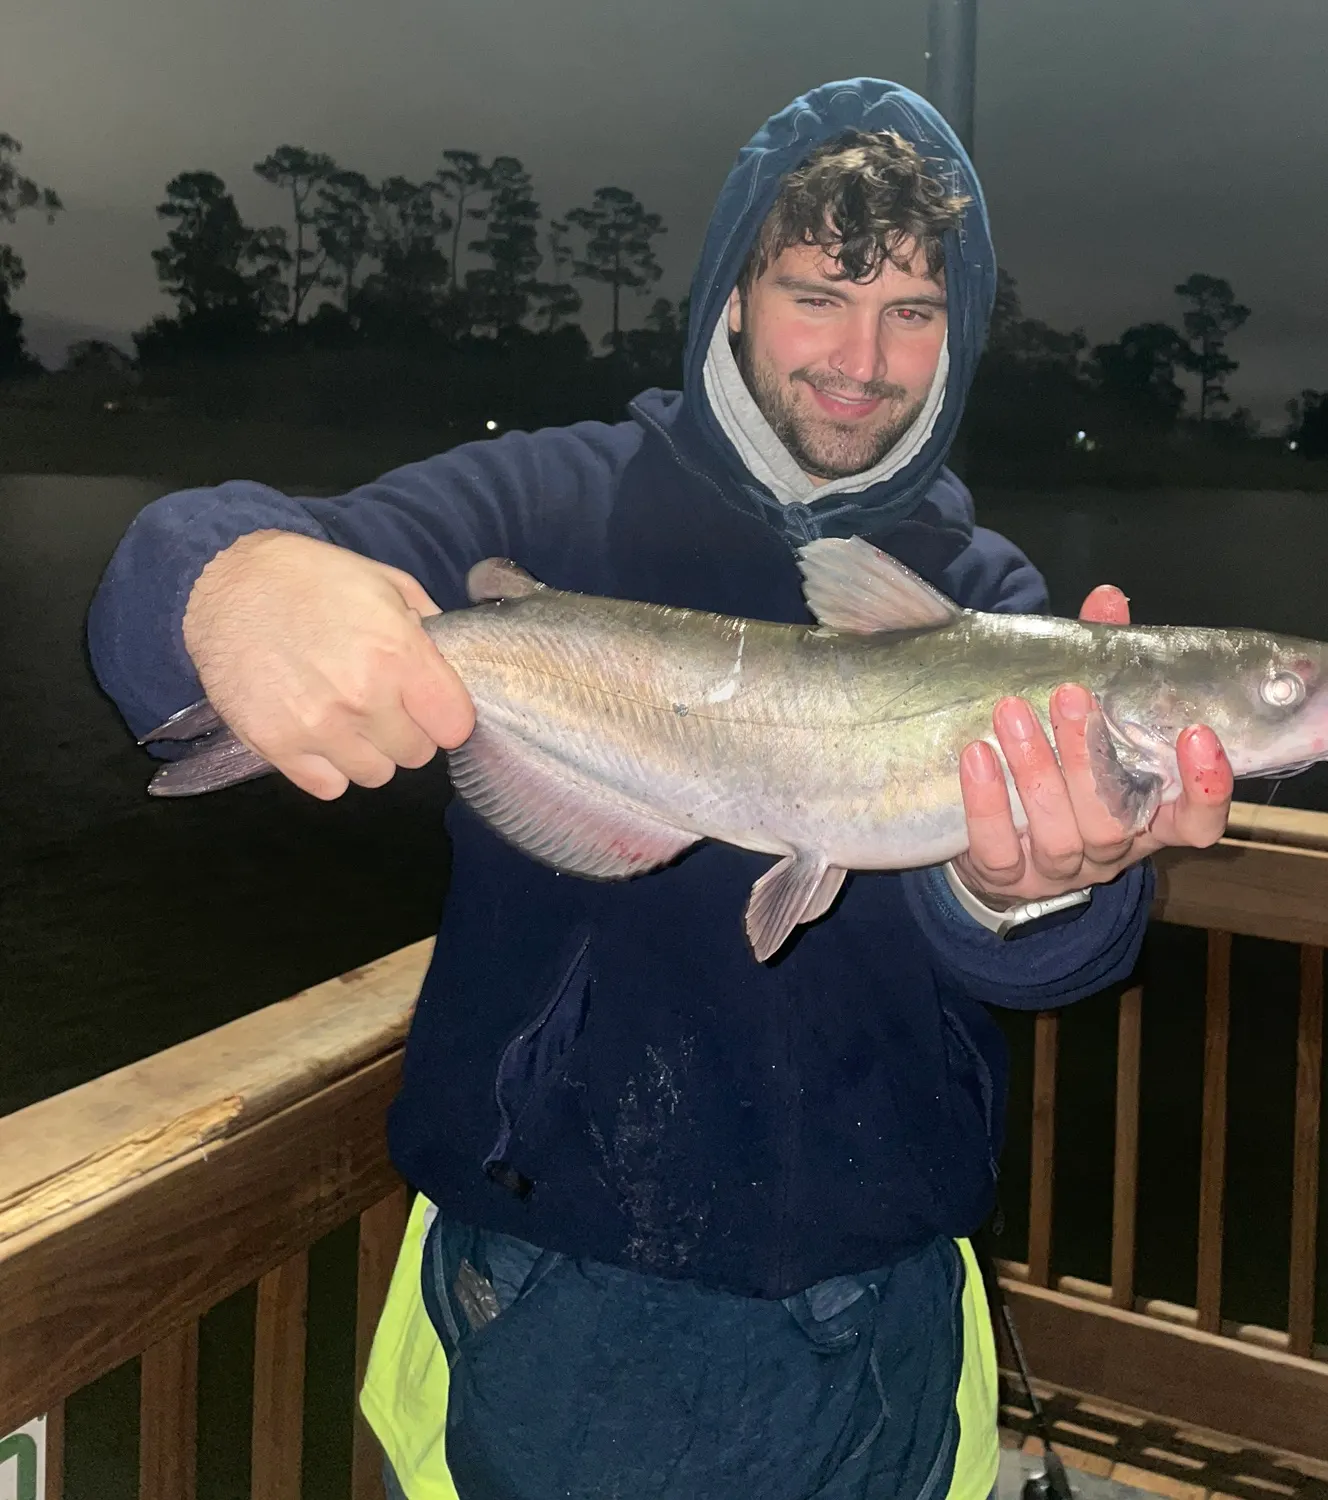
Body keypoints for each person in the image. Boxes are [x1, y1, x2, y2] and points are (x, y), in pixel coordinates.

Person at [88, 78, 1231, 1500]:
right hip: (549, 1286)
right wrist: (229, 583)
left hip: (882, 1312)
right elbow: (186, 567)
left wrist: (1031, 892)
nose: (865, 360)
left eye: (913, 315)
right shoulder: (559, 501)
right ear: (733, 301)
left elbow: (1063, 960)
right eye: (820, 295)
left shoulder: (989, 602)